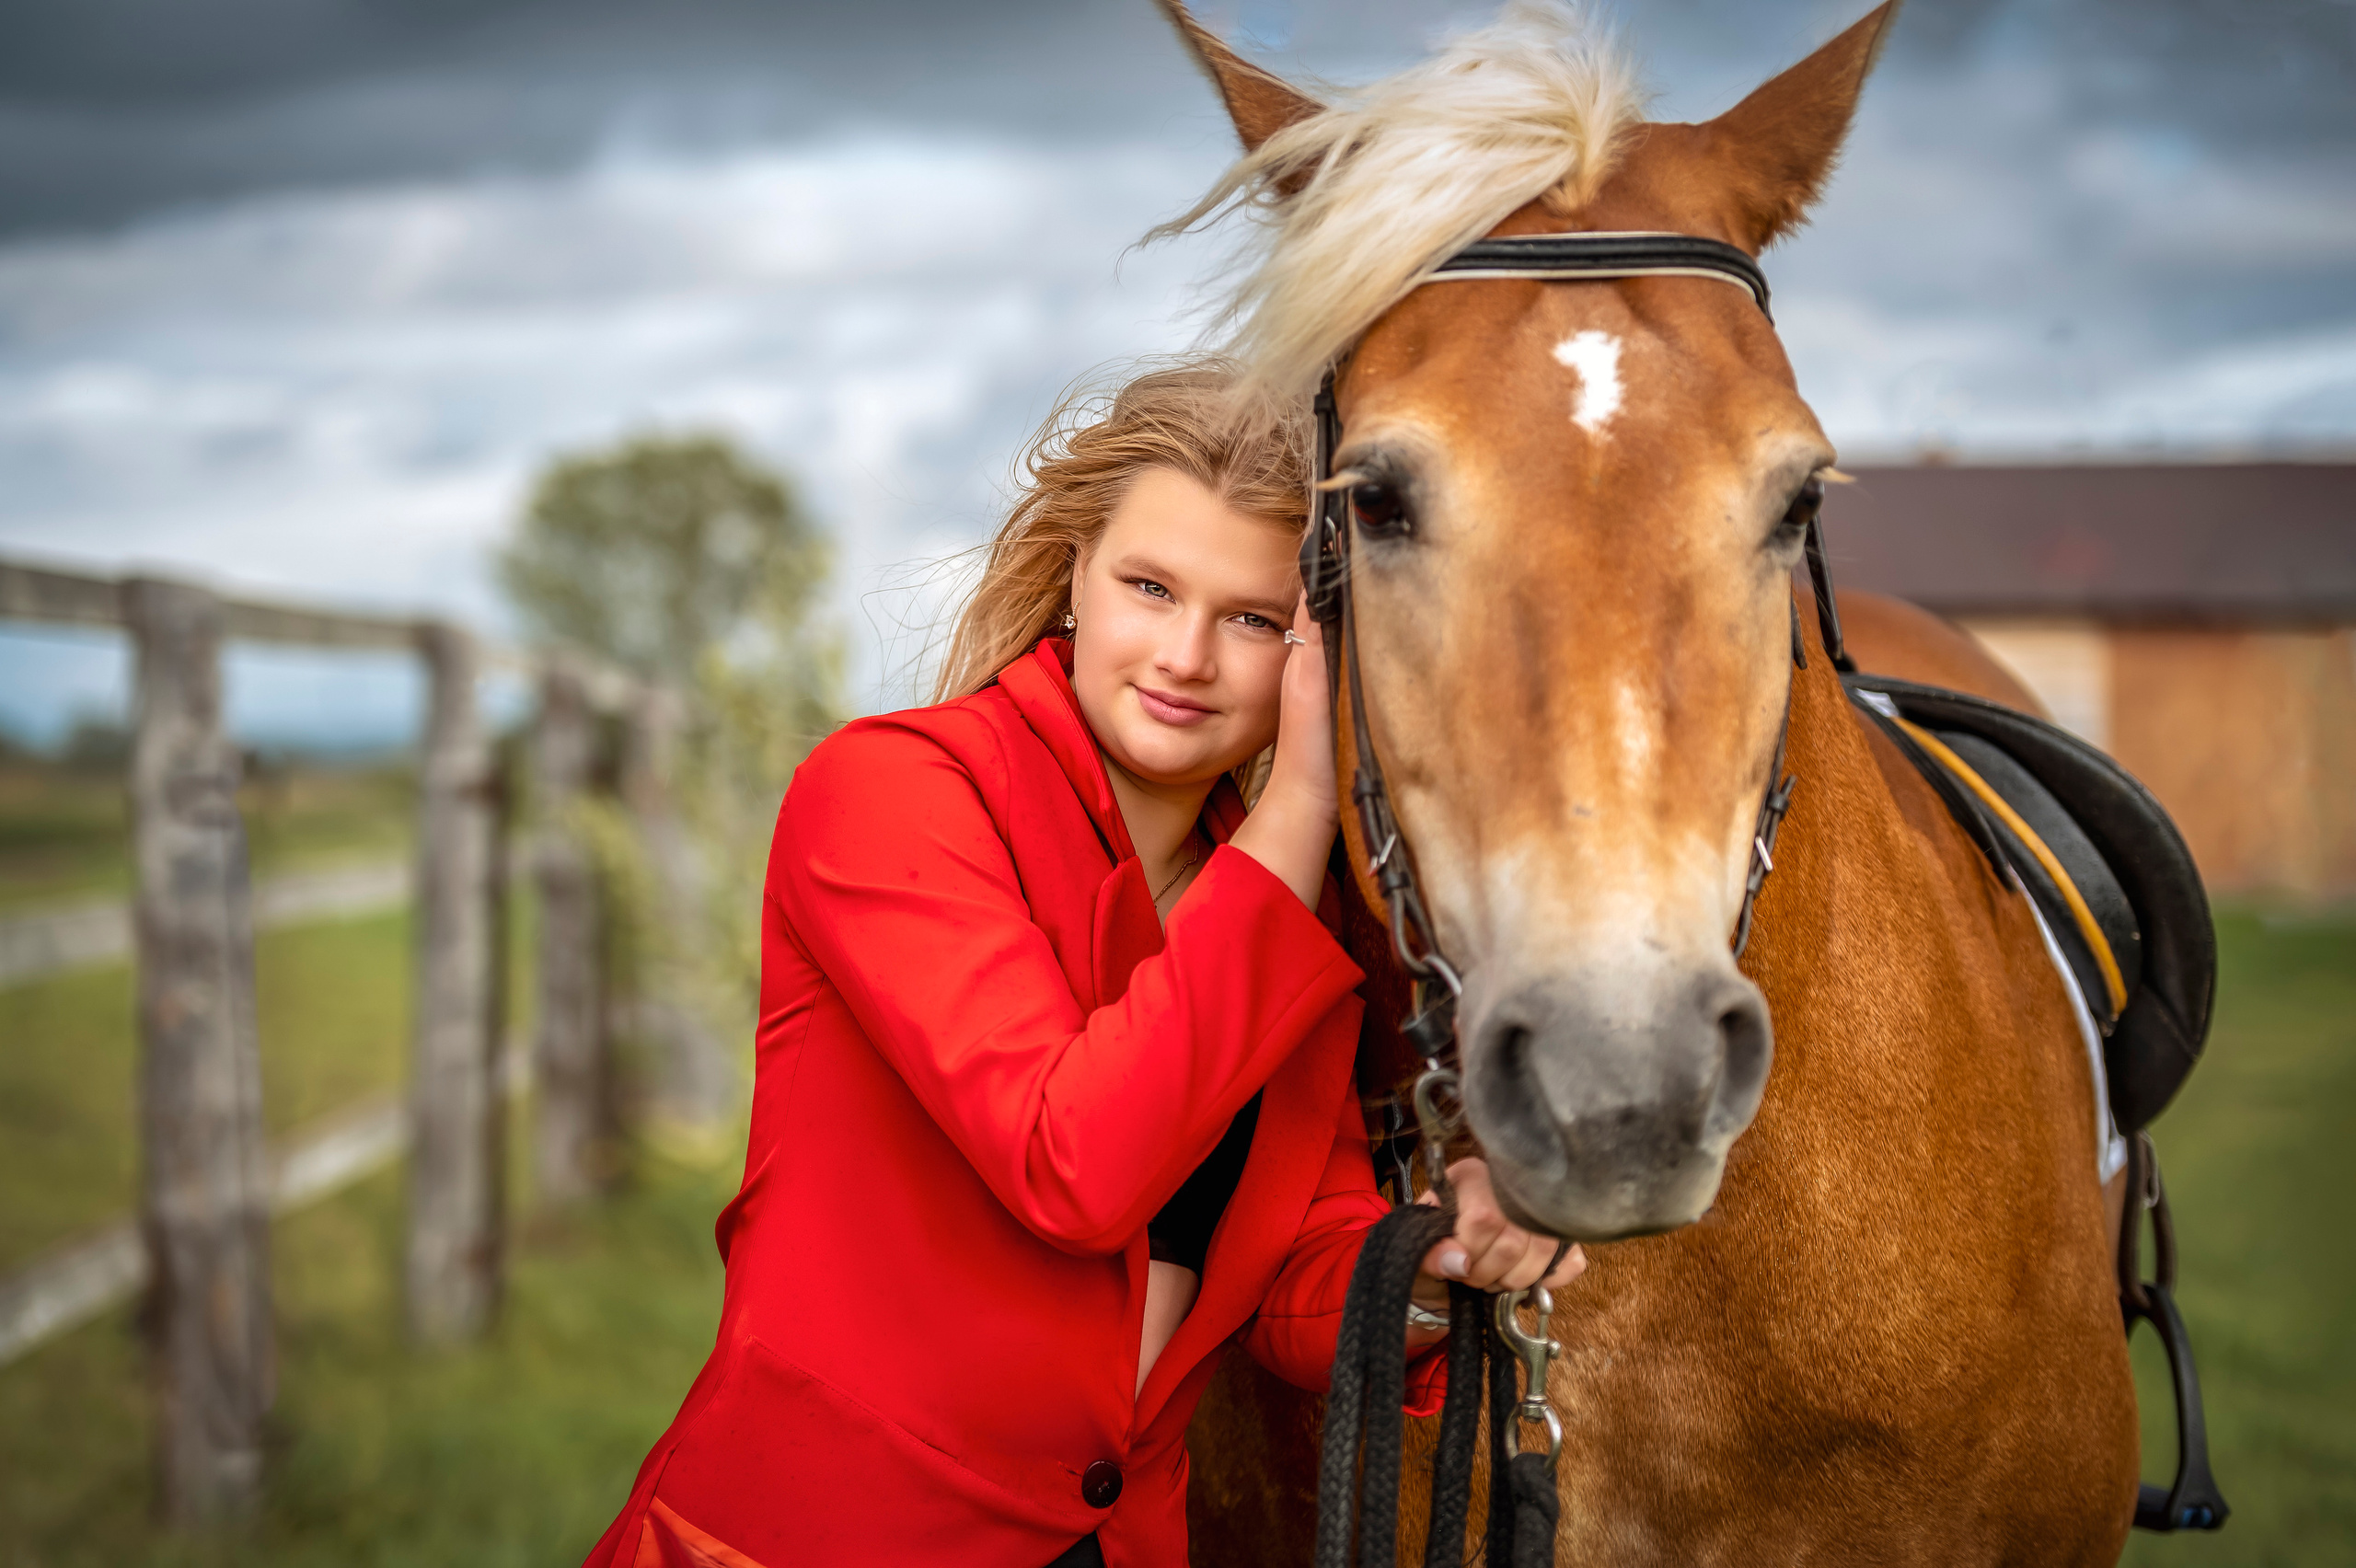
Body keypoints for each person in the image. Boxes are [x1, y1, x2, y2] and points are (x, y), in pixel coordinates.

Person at [583, 362, 1585, 1568]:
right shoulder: (891, 794)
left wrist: (1434, 1264)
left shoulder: (1288, 915)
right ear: (1073, 577)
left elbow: (1285, 1279)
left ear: (1319, 653)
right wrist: (1306, 796)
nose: (1186, 655)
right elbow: (1076, 1162)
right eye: (1150, 587)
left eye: (1256, 619)